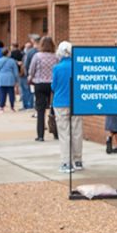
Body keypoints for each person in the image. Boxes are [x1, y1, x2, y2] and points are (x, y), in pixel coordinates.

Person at [51, 41, 83, 173]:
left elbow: (53, 86)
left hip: (60, 102)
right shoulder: (78, 66)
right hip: (77, 102)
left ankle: (66, 162)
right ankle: (78, 160)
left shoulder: (57, 68)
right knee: (77, 132)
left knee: (64, 133)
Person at [28, 36, 58, 142]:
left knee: (40, 110)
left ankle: (40, 135)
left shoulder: (37, 56)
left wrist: (30, 78)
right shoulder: (56, 57)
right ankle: (56, 132)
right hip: (53, 84)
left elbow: (32, 70)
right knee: (54, 108)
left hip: (39, 84)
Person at [0, 48, 19, 112]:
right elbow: (15, 71)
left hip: (1, 78)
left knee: (2, 94)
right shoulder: (12, 61)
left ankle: (1, 107)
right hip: (10, 78)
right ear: (7, 53)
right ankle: (12, 107)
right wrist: (16, 80)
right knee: (11, 94)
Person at [20, 34, 40, 111]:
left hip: (31, 76)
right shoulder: (42, 50)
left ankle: (29, 106)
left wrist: (28, 75)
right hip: (42, 77)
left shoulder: (30, 52)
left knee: (29, 91)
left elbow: (26, 64)